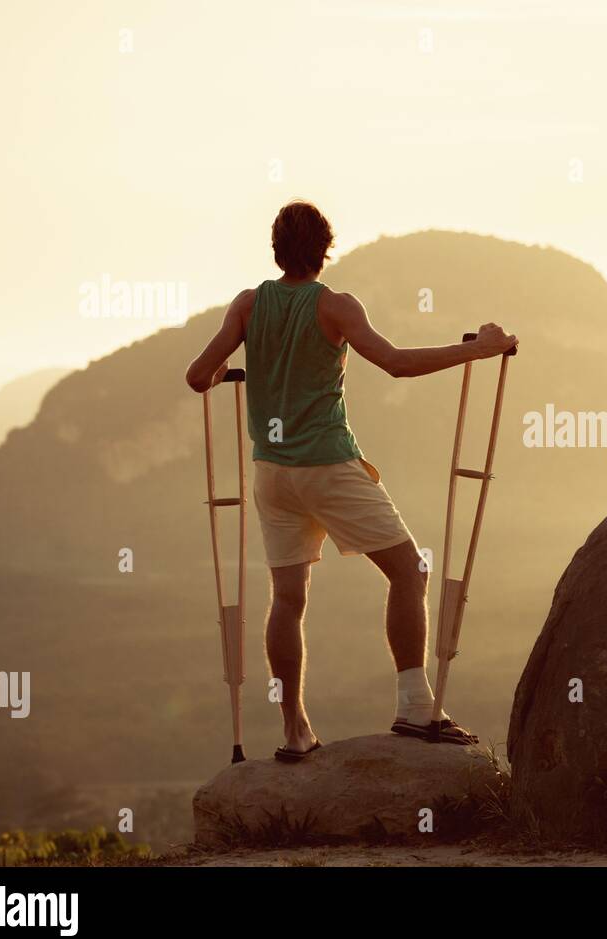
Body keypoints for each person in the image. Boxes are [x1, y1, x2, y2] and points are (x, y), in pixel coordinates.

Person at [185, 200, 517, 759]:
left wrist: (228, 369)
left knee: (287, 598)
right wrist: (476, 351)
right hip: (327, 465)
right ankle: (415, 707)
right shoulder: (335, 307)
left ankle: (294, 730)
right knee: (410, 571)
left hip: (271, 471)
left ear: (275, 249)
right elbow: (395, 363)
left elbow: (199, 376)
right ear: (325, 247)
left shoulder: (247, 306)